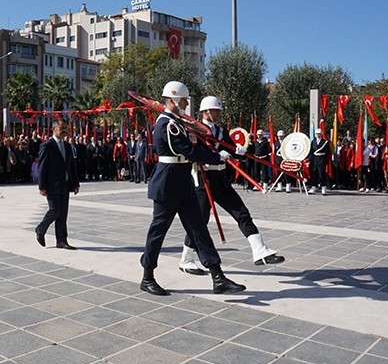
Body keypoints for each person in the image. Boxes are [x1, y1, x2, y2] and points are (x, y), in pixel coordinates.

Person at [140, 81, 245, 296]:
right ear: (173, 99)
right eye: (184, 100)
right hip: (167, 184)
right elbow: (188, 150)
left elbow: (192, 147)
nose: (187, 103)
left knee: (199, 229)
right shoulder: (167, 124)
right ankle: (147, 276)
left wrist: (220, 151)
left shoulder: (177, 123)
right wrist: (217, 156)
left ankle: (218, 276)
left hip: (182, 182)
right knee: (158, 232)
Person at [178, 96, 285, 275]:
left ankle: (260, 250)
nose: (219, 113)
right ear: (206, 112)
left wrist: (241, 151)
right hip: (204, 180)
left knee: (242, 213)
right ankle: (186, 259)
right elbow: (196, 153)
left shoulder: (221, 130)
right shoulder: (194, 129)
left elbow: (230, 149)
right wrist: (217, 154)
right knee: (200, 221)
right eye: (215, 110)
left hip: (220, 178)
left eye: (219, 110)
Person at [35, 119, 80, 250]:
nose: (65, 130)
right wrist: (41, 186)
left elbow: (72, 166)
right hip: (52, 184)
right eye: (62, 128)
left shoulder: (67, 146)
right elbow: (42, 167)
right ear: (54, 129)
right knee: (54, 211)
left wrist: (75, 183)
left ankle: (61, 240)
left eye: (66, 127)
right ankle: (40, 229)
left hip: (65, 184)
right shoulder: (47, 145)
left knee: (63, 214)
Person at [309, 128, 330, 195]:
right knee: (314, 174)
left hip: (321, 159)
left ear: (321, 134)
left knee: (322, 174)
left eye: (319, 134)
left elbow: (327, 152)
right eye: (317, 134)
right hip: (315, 160)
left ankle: (323, 187)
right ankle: (313, 187)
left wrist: (325, 161)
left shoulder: (325, 142)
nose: (318, 135)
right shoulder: (313, 142)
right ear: (315, 135)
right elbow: (311, 152)